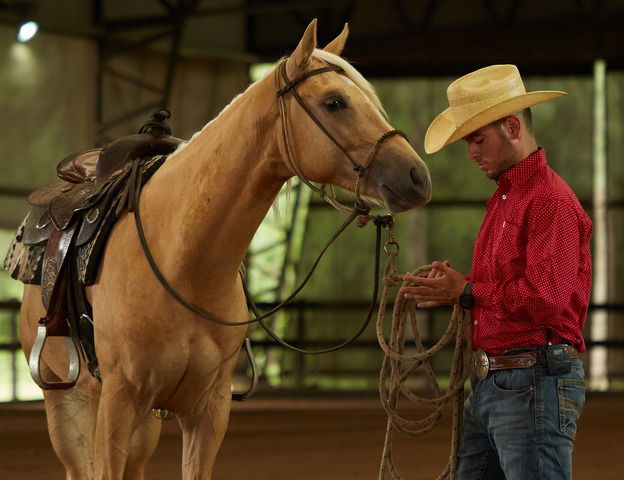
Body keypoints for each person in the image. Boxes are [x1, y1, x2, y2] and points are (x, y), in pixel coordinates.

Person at [399, 64, 592, 479]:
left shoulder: (549, 201)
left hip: (532, 380)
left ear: (511, 127)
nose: (471, 152)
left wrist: (467, 294)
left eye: (477, 139)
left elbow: (546, 299)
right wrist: (461, 287)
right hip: (501, 382)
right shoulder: (506, 199)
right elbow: (509, 287)